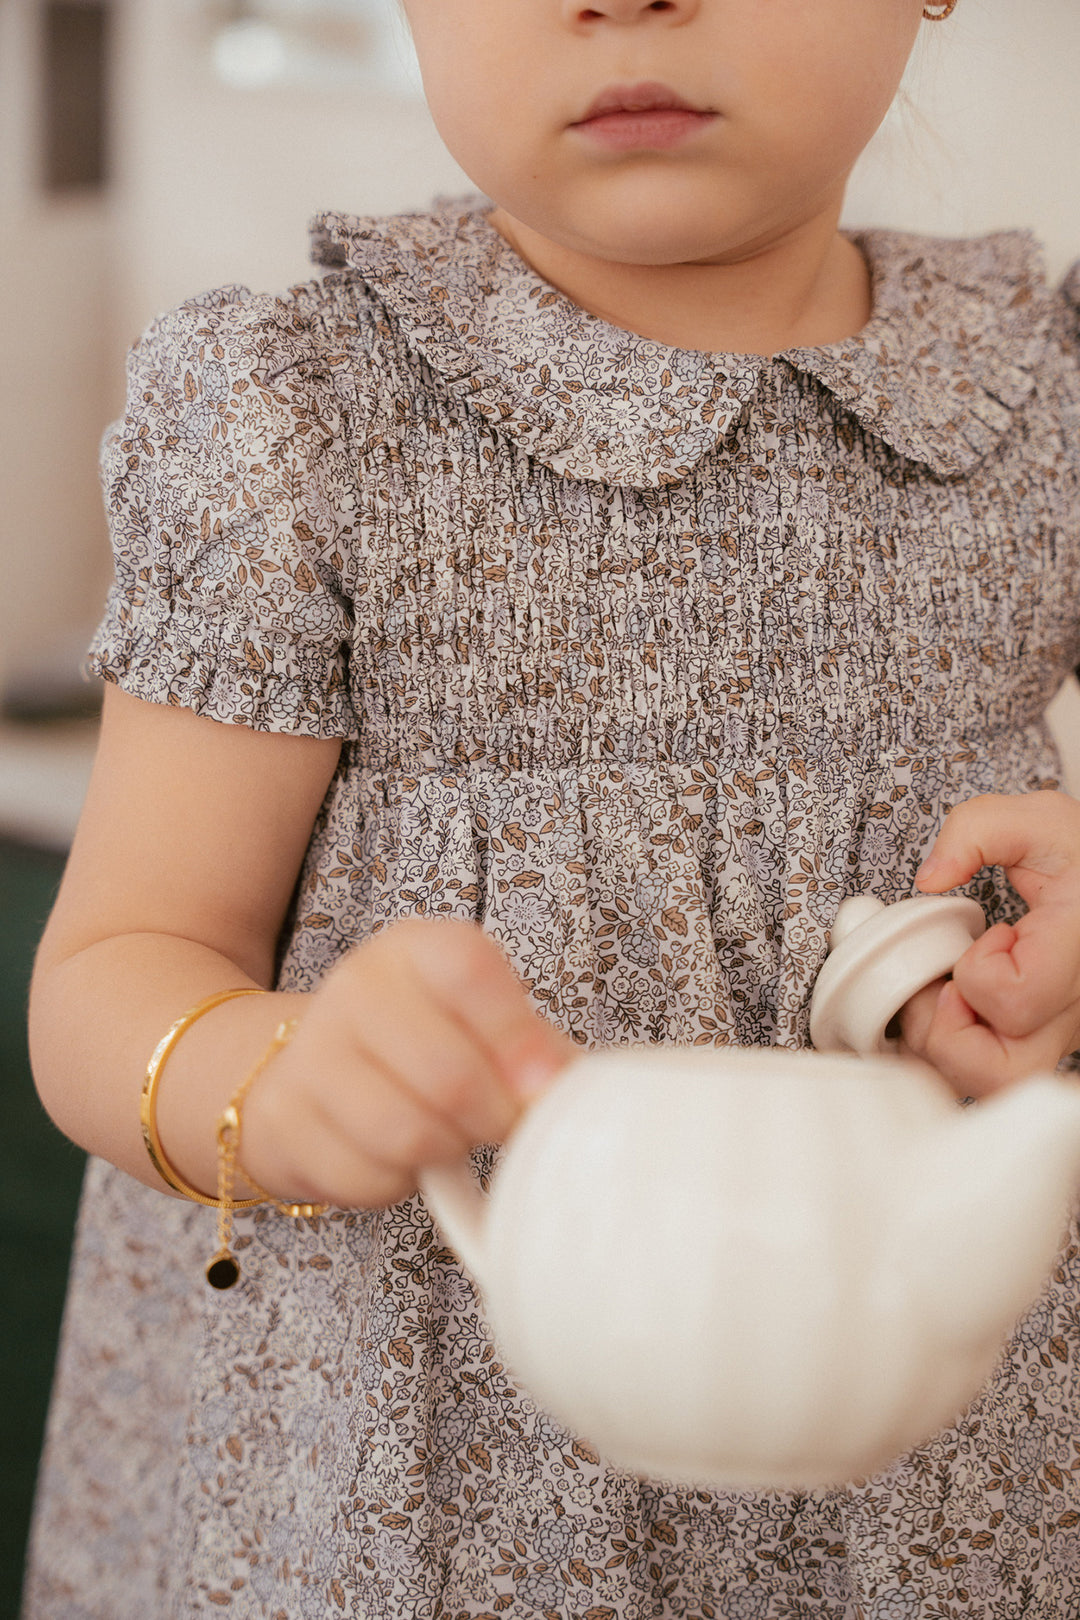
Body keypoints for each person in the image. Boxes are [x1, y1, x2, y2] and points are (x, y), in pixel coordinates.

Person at [21, 0, 1080, 1613]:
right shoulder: (291, 410)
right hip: (407, 1476)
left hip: (945, 1460)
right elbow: (114, 974)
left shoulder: (1040, 398)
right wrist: (279, 1086)